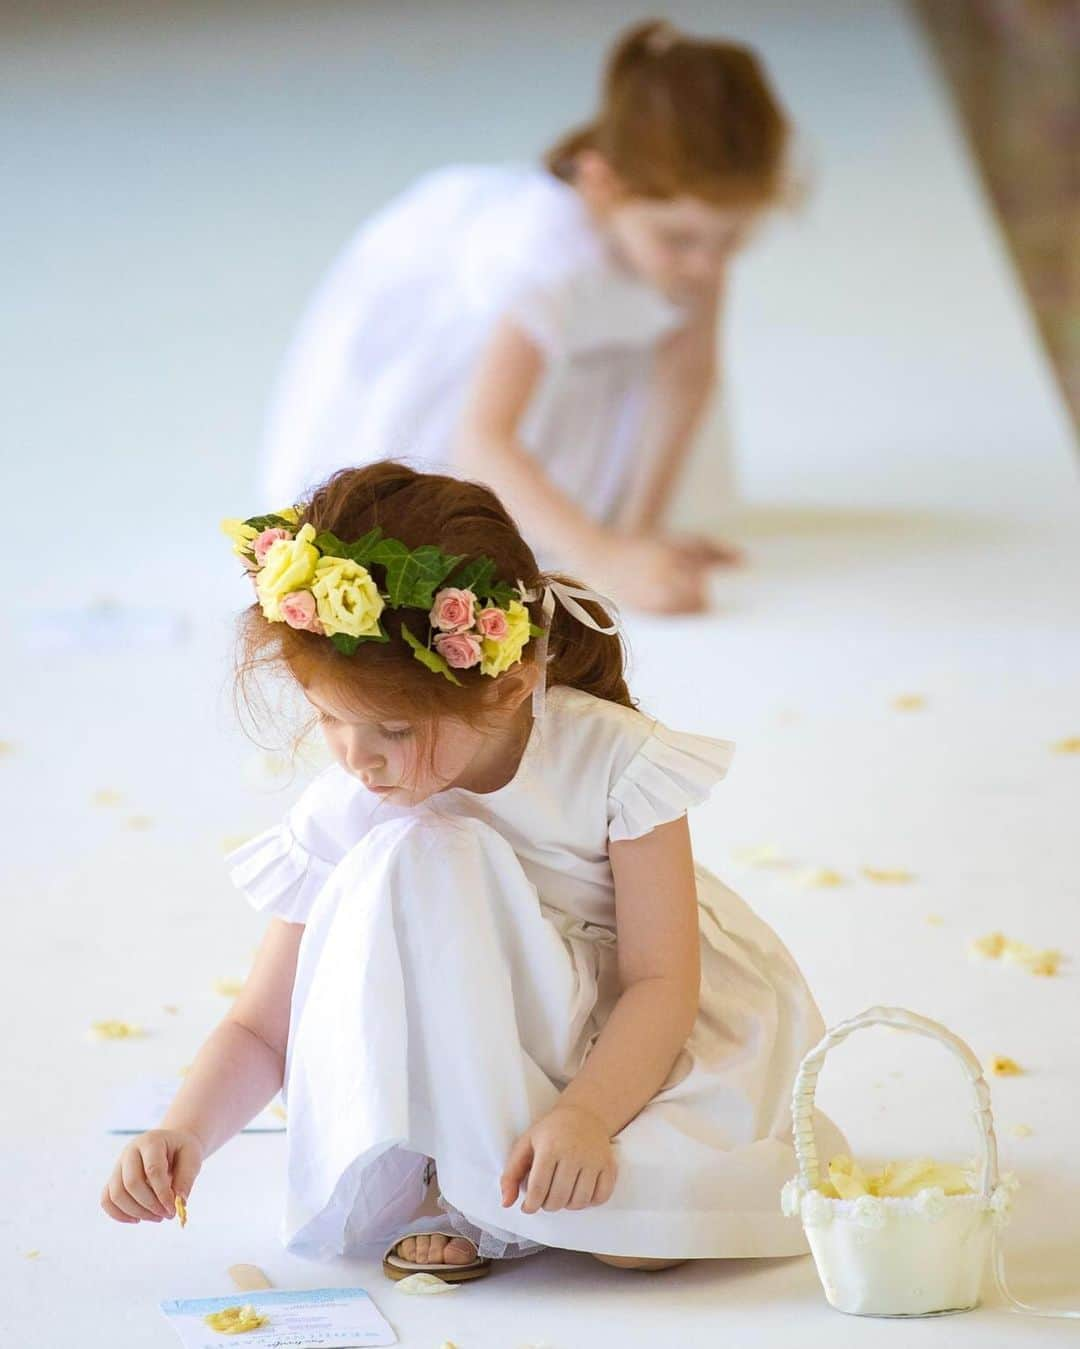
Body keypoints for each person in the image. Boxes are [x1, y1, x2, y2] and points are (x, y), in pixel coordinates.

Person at [100, 461, 846, 1278]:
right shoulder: (354, 801)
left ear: (509, 686)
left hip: (628, 1028)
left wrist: (590, 1115)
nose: (357, 759)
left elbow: (663, 980)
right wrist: (185, 1130)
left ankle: (525, 1157)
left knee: (632, 1236)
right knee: (421, 847)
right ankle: (452, 1169)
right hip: (477, 1035)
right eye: (328, 718)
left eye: (390, 726)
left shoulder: (610, 760)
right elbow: (262, 1024)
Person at [257, 18, 796, 616]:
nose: (707, 264)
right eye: (680, 239)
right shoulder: (546, 255)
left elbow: (686, 376)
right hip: (484, 380)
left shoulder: (695, 247)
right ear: (602, 184)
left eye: (731, 238)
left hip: (577, 348)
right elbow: (484, 437)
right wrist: (602, 557)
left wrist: (640, 529)